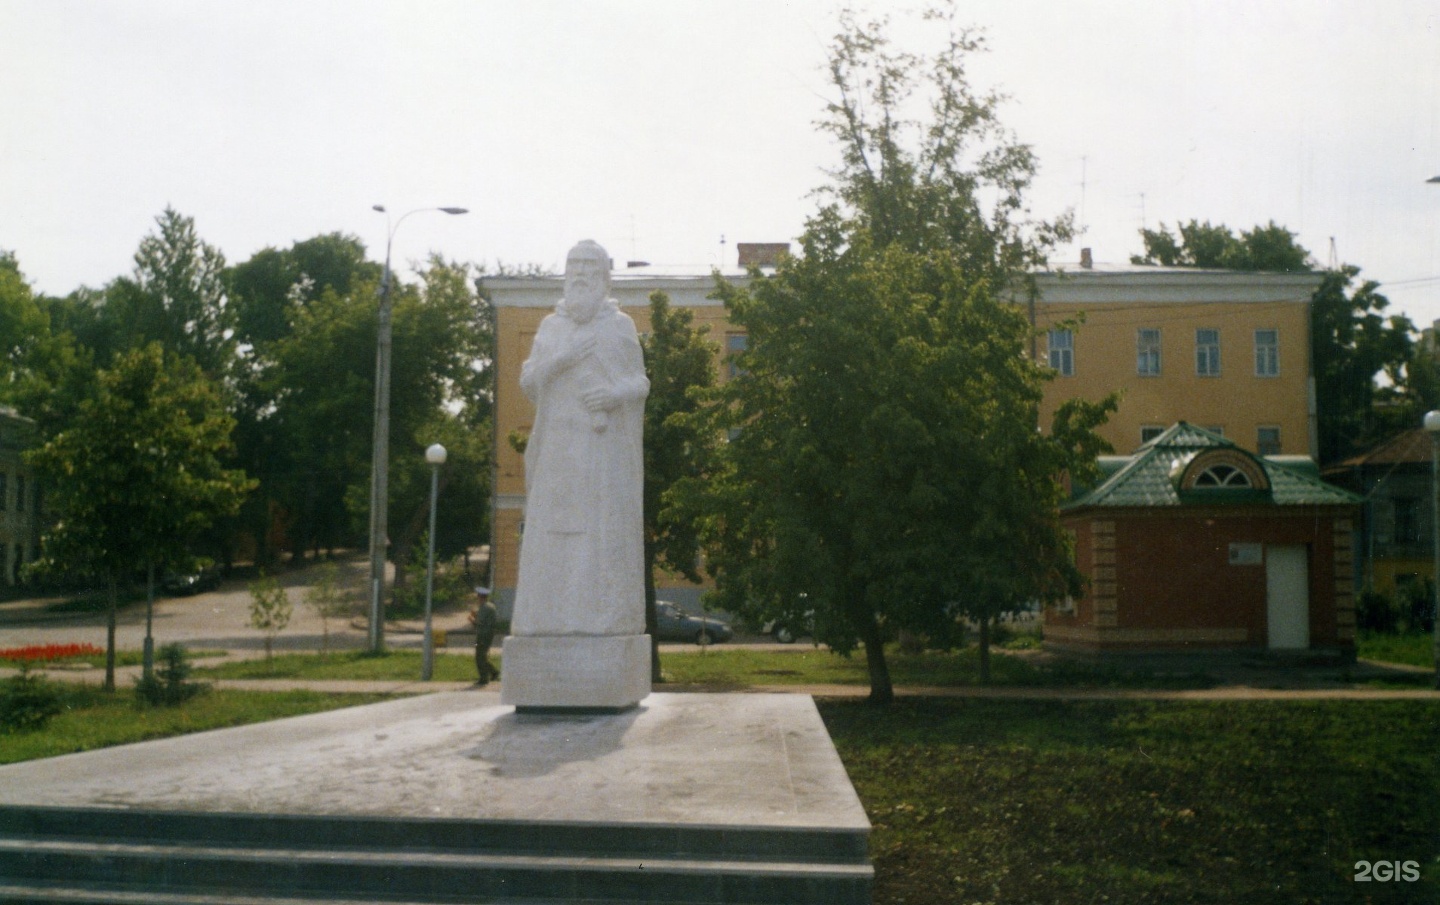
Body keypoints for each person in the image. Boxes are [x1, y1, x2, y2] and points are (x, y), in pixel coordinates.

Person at [510, 240, 650, 638]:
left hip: (601, 453)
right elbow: (529, 381)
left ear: (605, 277)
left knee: (597, 535)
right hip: (558, 451)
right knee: (555, 535)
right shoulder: (552, 328)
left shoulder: (618, 325)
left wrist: (613, 395)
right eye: (574, 267)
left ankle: (600, 620)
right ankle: (548, 620)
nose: (581, 274)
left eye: (590, 267)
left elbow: (640, 382)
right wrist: (563, 357)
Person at [470, 587, 499, 685]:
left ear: (480, 597)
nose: (477, 599)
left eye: (478, 597)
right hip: (488, 634)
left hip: (483, 635)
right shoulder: (490, 606)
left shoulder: (484, 607)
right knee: (483, 656)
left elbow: (480, 622)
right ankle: (494, 672)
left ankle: (484, 678)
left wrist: (472, 619)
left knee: (480, 657)